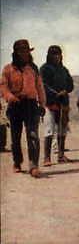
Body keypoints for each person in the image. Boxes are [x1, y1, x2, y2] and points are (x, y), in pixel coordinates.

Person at [0, 39, 46, 177]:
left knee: (33, 135)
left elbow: (40, 87)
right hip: (15, 105)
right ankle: (17, 162)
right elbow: (3, 87)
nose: (25, 53)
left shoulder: (33, 68)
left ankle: (33, 165)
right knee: (16, 136)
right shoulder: (8, 69)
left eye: (26, 51)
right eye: (21, 51)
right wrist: (10, 97)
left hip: (31, 105)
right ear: (16, 53)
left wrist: (42, 104)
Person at [40, 45, 74, 166]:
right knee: (49, 129)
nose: (56, 56)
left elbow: (70, 84)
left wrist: (65, 91)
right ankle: (47, 158)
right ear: (49, 55)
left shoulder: (63, 69)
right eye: (54, 54)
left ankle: (60, 155)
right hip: (50, 102)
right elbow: (43, 85)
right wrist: (55, 94)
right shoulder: (44, 69)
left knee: (62, 130)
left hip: (63, 102)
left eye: (58, 54)